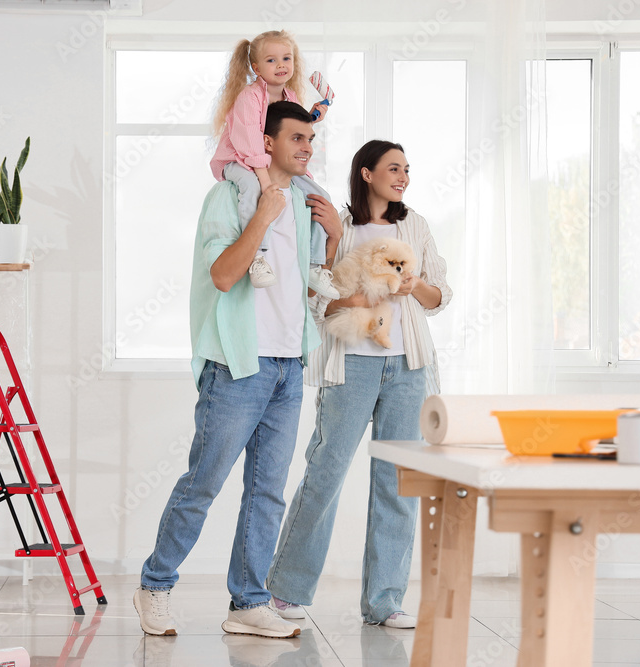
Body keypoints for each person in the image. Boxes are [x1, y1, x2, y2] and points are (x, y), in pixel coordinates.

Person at [132, 101, 341, 639]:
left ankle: (248, 602)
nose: (306, 149)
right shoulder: (227, 198)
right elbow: (224, 275)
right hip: (236, 366)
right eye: (296, 138)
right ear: (265, 141)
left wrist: (336, 236)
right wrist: (262, 218)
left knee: (267, 491)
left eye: (311, 141)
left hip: (287, 366)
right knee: (204, 482)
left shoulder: (301, 201)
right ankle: (155, 584)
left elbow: (314, 283)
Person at [265, 139, 452, 628]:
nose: (403, 176)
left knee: (397, 484)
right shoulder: (339, 226)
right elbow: (315, 301)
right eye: (394, 168)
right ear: (366, 173)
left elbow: (439, 295)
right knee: (325, 474)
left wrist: (415, 288)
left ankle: (385, 601)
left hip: (408, 367)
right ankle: (284, 591)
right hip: (351, 366)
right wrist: (353, 299)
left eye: (407, 169)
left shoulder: (415, 226)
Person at [210, 29, 340, 300]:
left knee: (318, 196)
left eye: (286, 58)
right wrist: (266, 181)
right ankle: (258, 258)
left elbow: (287, 131)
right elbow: (249, 142)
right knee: (254, 190)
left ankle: (316, 264)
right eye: (271, 60)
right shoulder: (249, 97)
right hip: (238, 160)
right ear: (256, 67)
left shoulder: (290, 97)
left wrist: (312, 116)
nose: (281, 65)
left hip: (267, 161)